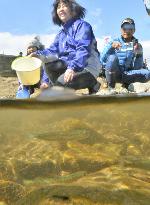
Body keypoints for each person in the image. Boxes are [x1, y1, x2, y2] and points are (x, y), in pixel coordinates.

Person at [31, 0, 101, 94]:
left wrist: (72, 68)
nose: (61, 9)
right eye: (58, 7)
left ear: (73, 9)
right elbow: (51, 52)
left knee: (59, 88)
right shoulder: (61, 34)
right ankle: (60, 86)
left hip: (87, 67)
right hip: (70, 67)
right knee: (48, 63)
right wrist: (37, 55)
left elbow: (83, 50)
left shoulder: (82, 26)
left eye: (64, 6)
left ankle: (92, 82)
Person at [100, 18, 150, 93]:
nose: (127, 31)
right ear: (121, 29)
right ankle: (111, 87)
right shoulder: (113, 41)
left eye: (130, 28)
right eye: (124, 28)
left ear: (134, 30)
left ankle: (127, 85)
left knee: (147, 73)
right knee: (112, 58)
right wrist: (111, 47)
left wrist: (139, 54)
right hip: (114, 73)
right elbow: (101, 60)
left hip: (126, 74)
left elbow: (137, 67)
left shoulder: (137, 45)